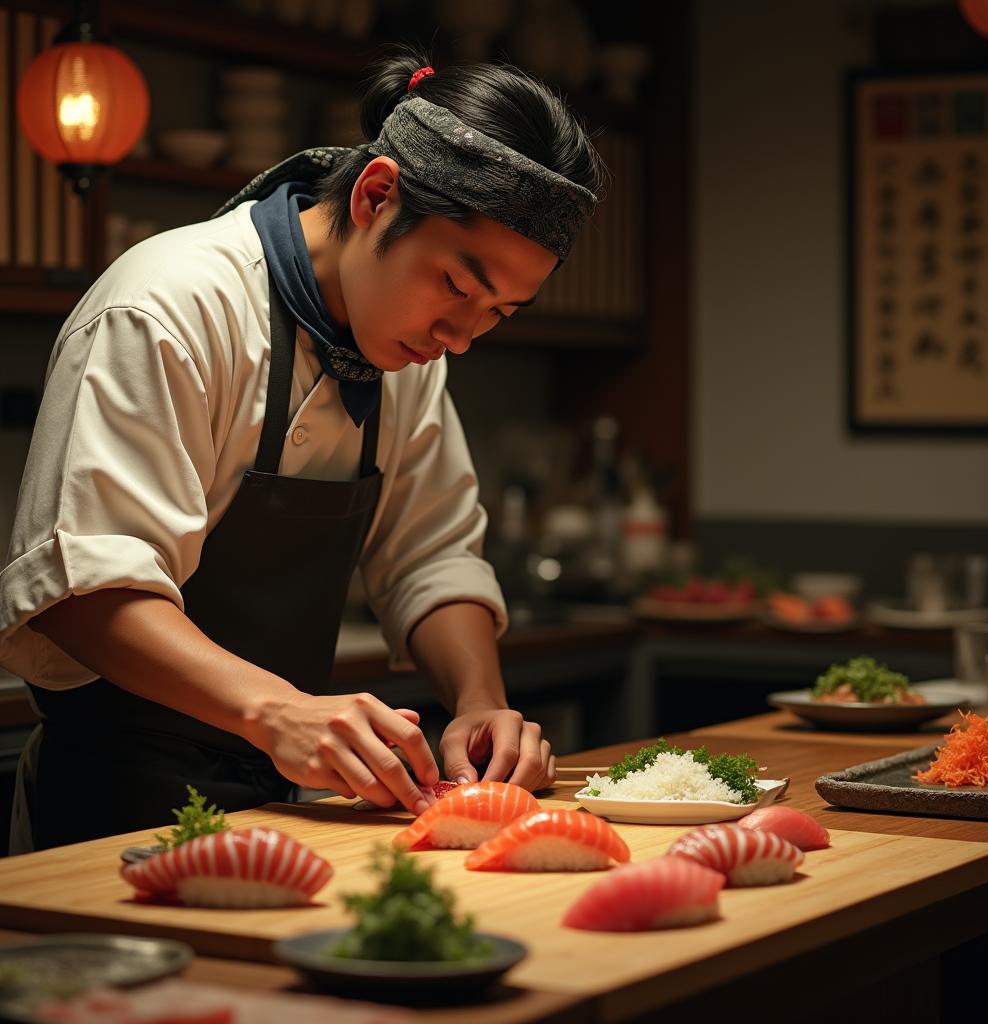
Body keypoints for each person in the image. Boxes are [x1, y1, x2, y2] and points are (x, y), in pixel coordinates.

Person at [0, 48, 603, 853]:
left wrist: (479, 701)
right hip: (114, 798)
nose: (462, 334)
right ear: (376, 194)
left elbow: (430, 556)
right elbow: (87, 590)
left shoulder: (408, 349)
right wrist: (276, 710)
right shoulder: (170, 305)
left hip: (281, 807)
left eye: (501, 311)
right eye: (459, 286)